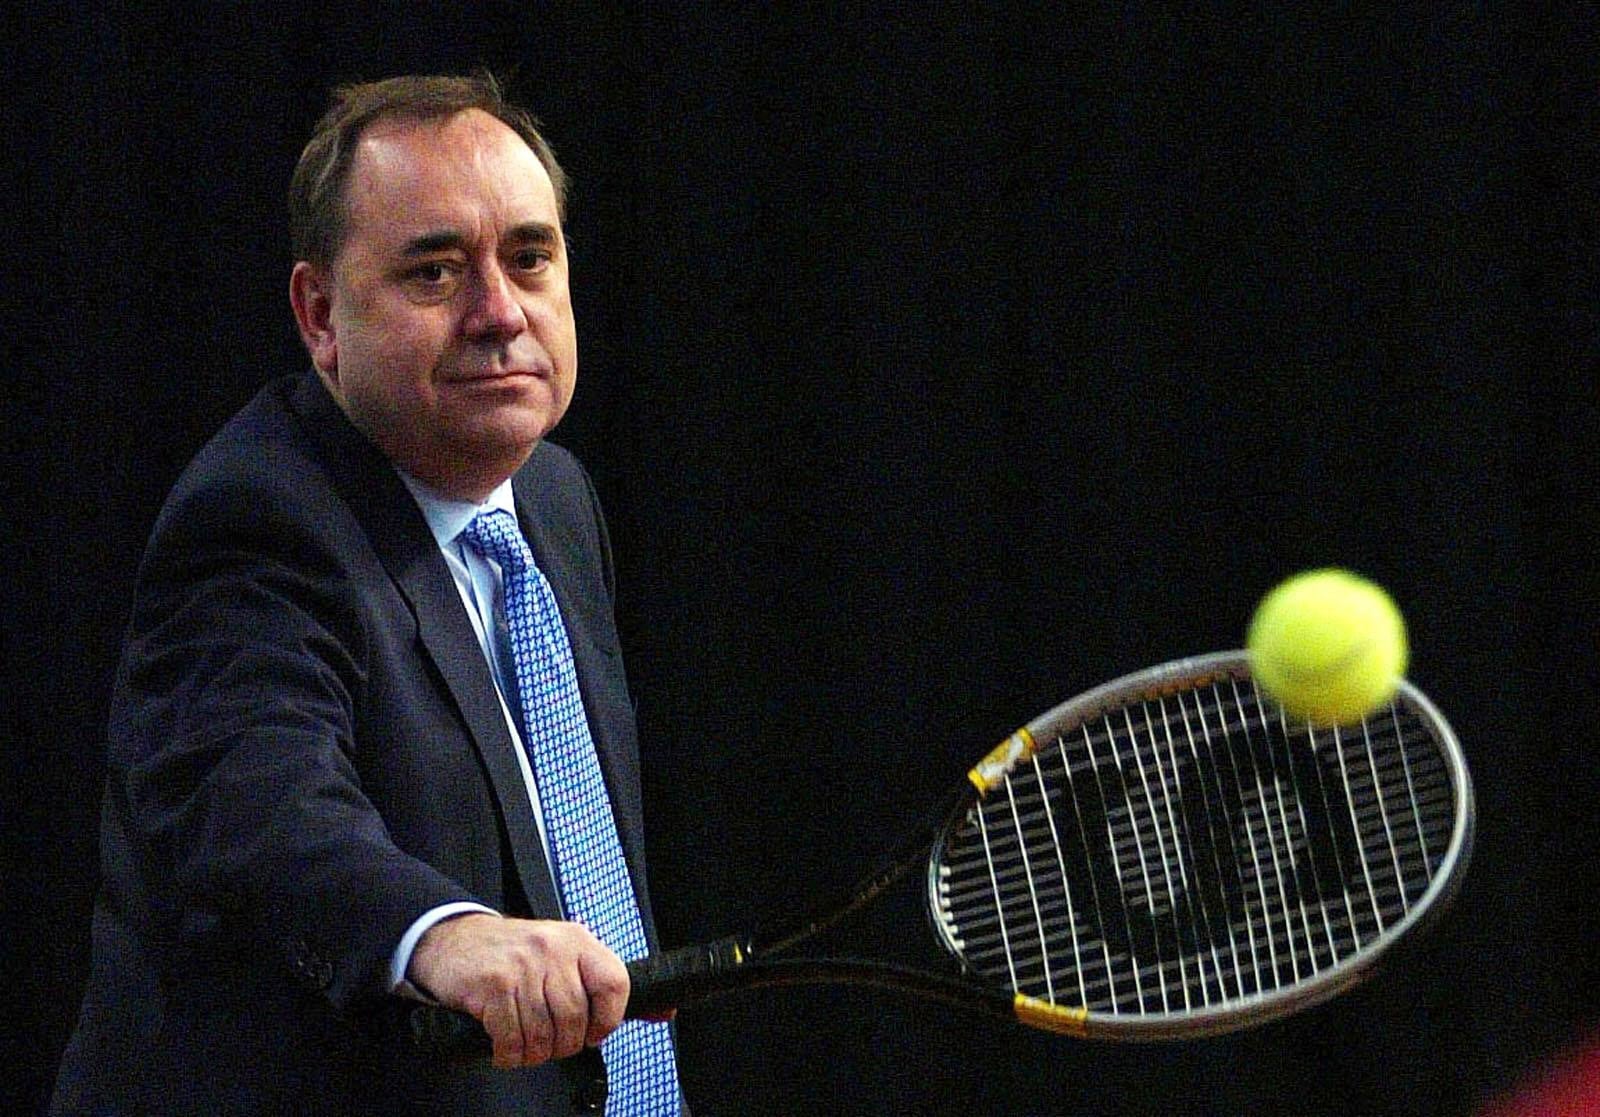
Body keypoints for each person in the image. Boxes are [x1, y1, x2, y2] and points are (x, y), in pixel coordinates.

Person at [50, 74, 684, 1115]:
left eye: (529, 257)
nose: (499, 312)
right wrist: (443, 934)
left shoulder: (554, 499)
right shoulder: (257, 519)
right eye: (435, 272)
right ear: (319, 314)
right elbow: (260, 804)